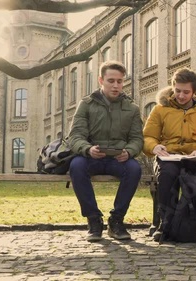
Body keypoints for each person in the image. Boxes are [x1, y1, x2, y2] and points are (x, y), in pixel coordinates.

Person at [143, 68, 196, 242]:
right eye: (177, 90)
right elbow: (148, 136)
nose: (181, 95)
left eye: (186, 92)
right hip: (168, 156)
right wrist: (154, 147)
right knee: (168, 174)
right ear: (173, 88)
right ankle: (165, 222)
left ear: (194, 92)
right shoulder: (160, 109)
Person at [67, 60, 143, 242]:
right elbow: (75, 136)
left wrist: (129, 151)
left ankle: (116, 220)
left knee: (134, 169)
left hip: (118, 159)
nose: (116, 85)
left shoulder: (131, 108)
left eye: (120, 81)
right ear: (101, 80)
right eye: (111, 81)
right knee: (76, 166)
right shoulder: (86, 104)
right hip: (92, 157)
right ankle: (93, 220)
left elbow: (137, 139)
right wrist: (87, 149)